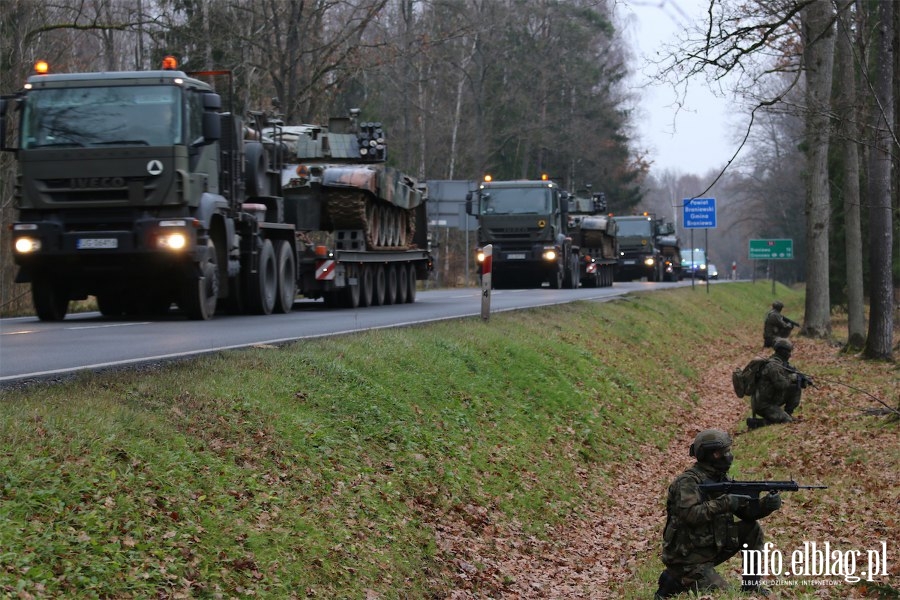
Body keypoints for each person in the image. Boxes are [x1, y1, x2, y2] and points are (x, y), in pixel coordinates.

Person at [655, 429, 781, 598]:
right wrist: (726, 502)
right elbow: (691, 515)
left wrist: (767, 505)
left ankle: (751, 585)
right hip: (687, 557)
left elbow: (747, 514)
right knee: (722, 594)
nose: (729, 456)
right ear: (710, 455)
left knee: (752, 529)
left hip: (711, 547)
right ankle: (674, 578)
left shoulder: (721, 479)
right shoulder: (688, 482)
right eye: (723, 452)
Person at [751, 339, 807, 425]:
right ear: (783, 352)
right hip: (764, 405)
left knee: (795, 388)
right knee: (787, 421)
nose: (790, 354)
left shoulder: (780, 363)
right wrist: (792, 377)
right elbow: (781, 385)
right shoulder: (773, 366)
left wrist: (801, 379)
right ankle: (756, 423)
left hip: (772, 400)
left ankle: (788, 413)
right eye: (789, 352)